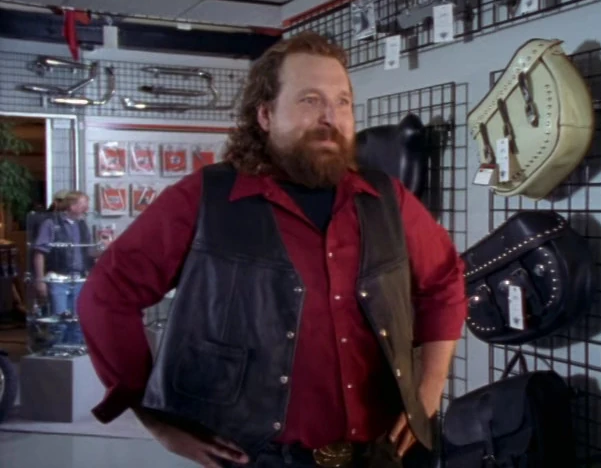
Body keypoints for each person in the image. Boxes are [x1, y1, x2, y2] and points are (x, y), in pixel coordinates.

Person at [77, 32, 468, 468]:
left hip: (381, 454)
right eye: (310, 100)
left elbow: (444, 281)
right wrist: (151, 415)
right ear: (265, 114)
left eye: (342, 102)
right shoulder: (205, 199)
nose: (330, 117)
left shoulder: (387, 199)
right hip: (260, 457)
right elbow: (107, 294)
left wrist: (429, 388)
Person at [33, 190, 92, 345]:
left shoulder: (82, 225)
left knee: (77, 321)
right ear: (72, 206)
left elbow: (87, 252)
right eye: (83, 205)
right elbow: (40, 253)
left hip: (79, 279)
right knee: (59, 321)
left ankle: (74, 350)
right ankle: (57, 351)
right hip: (58, 278)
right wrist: (40, 280)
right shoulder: (51, 224)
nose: (87, 209)